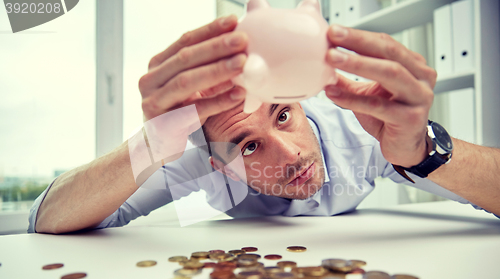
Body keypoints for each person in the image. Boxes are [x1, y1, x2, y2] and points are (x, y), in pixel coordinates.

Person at [29, 15, 500, 234]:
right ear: (221, 165)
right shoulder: (200, 161)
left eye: (283, 115)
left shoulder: (362, 131)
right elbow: (47, 220)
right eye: (248, 147)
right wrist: (150, 147)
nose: (291, 154)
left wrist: (422, 153)